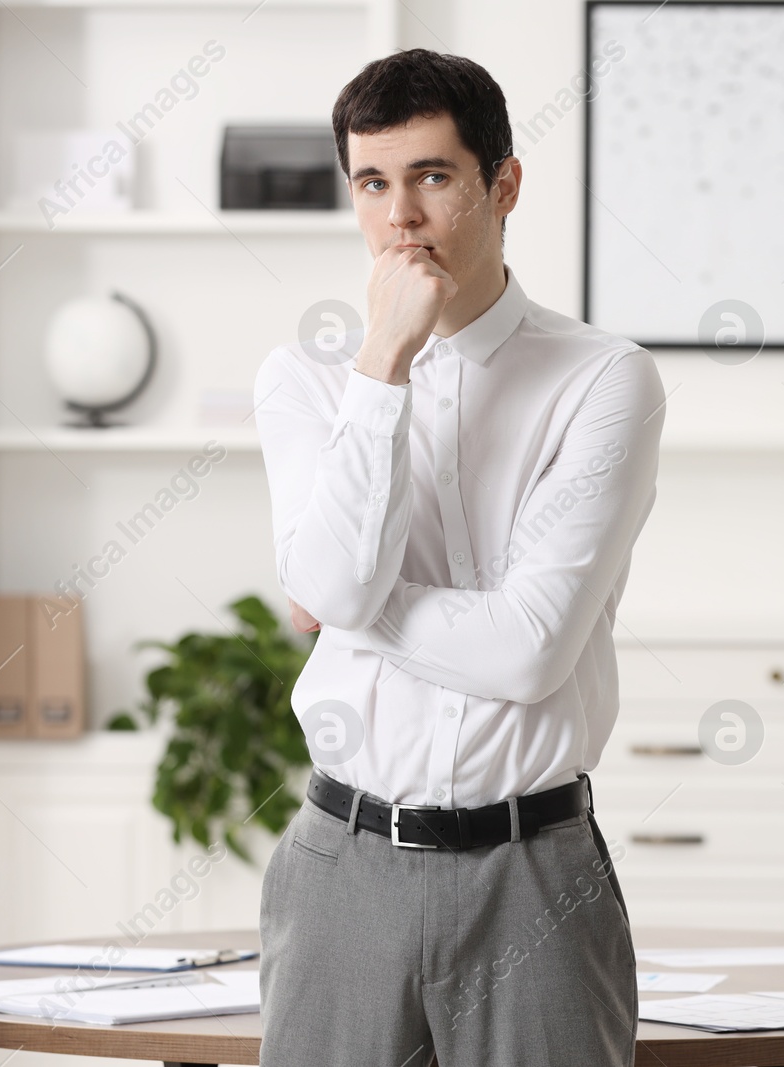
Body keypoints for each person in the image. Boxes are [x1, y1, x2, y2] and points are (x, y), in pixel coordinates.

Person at [253, 47, 665, 1067]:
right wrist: (383, 361)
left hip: (533, 869)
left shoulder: (602, 379)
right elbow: (335, 582)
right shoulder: (308, 379)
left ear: (502, 184)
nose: (400, 216)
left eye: (432, 177)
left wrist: (345, 602)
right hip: (339, 861)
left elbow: (528, 650)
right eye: (373, 183)